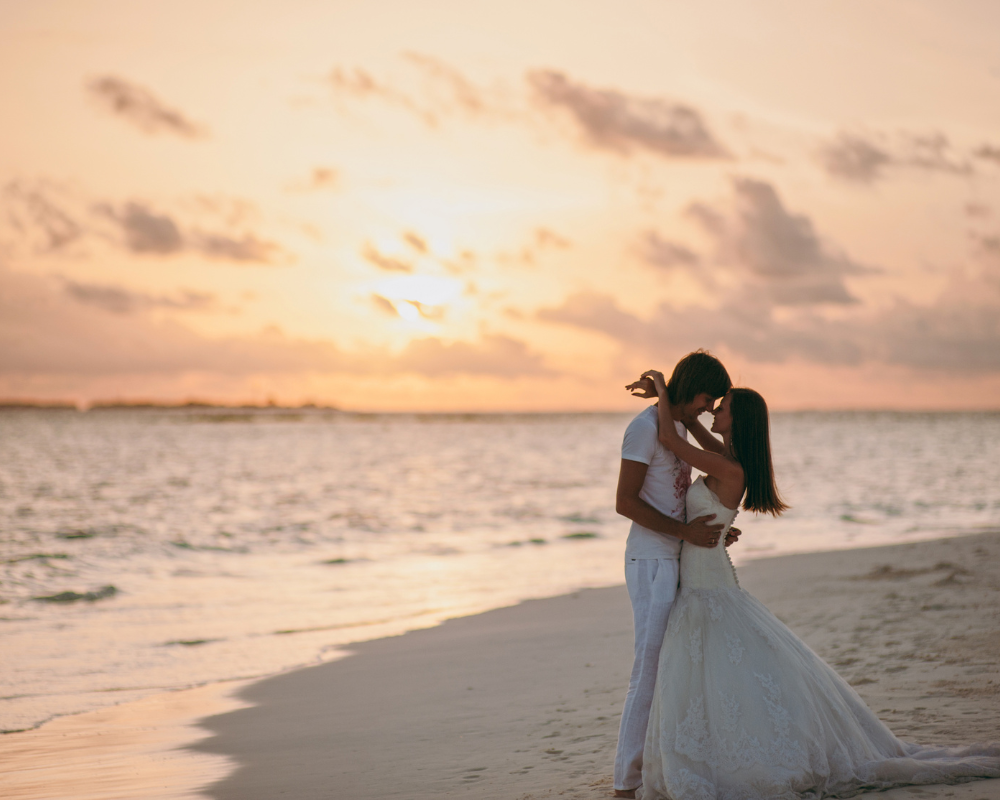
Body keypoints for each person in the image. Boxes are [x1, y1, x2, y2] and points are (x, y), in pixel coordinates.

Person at [633, 369, 1000, 800]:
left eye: (724, 406)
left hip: (707, 586)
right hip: (704, 578)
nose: (715, 409)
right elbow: (692, 435)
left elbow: (674, 444)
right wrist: (684, 405)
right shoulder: (726, 457)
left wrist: (661, 389)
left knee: (717, 672)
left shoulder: (729, 467)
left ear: (739, 419)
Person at [613, 351, 738, 798]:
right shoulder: (645, 429)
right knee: (646, 671)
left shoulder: (677, 428)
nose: (709, 406)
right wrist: (683, 531)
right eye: (708, 397)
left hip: (678, 559)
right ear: (691, 386)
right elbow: (625, 502)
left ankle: (652, 767)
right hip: (650, 562)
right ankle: (625, 783)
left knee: (670, 669)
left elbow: (679, 495)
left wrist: (713, 528)